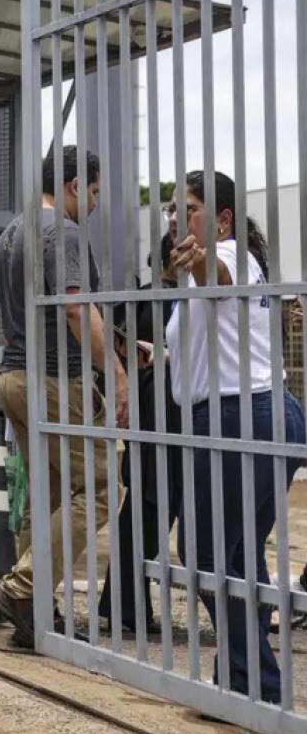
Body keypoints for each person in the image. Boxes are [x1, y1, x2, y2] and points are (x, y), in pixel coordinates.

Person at [165, 170, 304, 703]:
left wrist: (200, 258)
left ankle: (254, 684)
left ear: (223, 219)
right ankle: (245, 682)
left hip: (238, 418)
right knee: (239, 555)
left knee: (202, 552)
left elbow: (217, 275)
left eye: (191, 208)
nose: (178, 218)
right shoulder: (225, 269)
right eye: (173, 210)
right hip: (260, 413)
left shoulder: (233, 257)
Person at [0, 145, 124, 649]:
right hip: (55, 379)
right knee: (106, 488)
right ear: (70, 187)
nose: (92, 204)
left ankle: (36, 611)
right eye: (91, 192)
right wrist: (117, 372)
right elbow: (72, 308)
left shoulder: (13, 234)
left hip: (16, 376)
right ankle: (23, 589)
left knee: (45, 495)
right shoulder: (60, 231)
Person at [97, 234, 183, 635]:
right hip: (174, 416)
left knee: (143, 510)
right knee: (155, 511)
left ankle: (122, 604)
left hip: (143, 412)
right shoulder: (181, 300)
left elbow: (112, 349)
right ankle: (125, 605)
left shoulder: (137, 300)